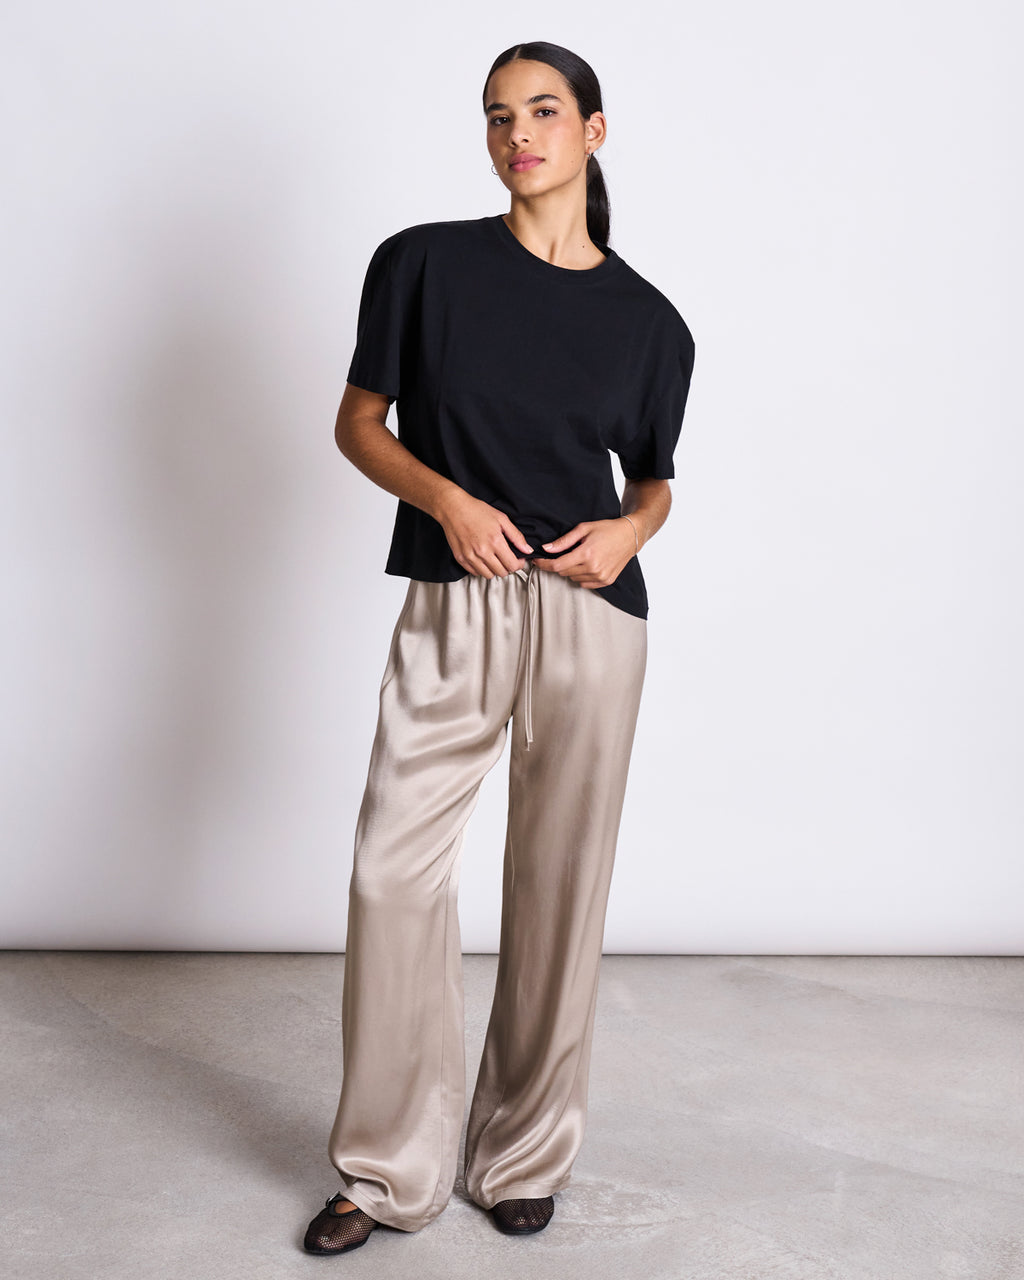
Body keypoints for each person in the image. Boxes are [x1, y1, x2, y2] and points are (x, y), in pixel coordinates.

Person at [303, 39, 695, 1257]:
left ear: (593, 128)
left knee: (559, 882)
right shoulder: (423, 265)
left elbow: (656, 485)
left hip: (591, 610)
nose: (515, 133)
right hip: (455, 589)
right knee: (392, 868)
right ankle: (388, 1169)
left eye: (540, 110)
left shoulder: (651, 322)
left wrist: (627, 531)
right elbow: (358, 424)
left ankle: (522, 1151)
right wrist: (446, 499)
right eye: (495, 116)